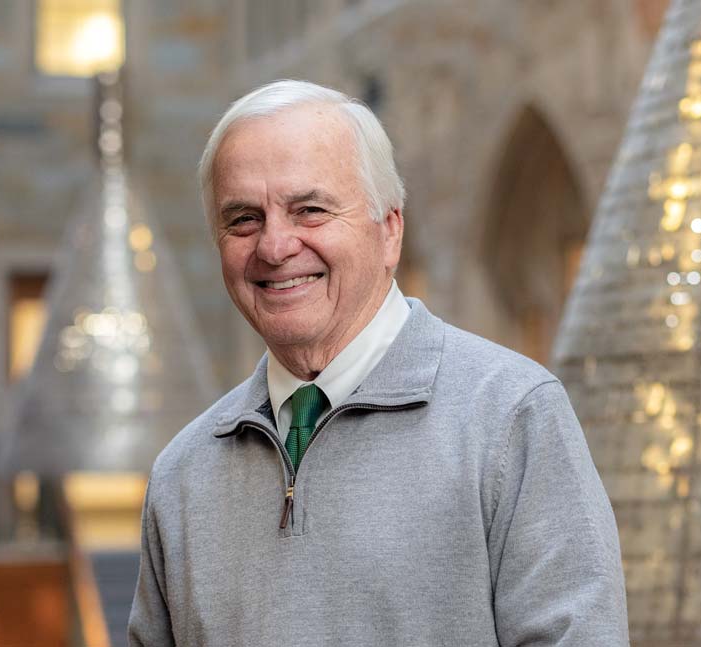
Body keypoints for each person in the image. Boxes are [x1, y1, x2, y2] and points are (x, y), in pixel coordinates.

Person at [128, 79, 628, 646]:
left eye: (309, 210)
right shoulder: (182, 475)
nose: (273, 246)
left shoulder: (511, 419)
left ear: (389, 230)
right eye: (244, 219)